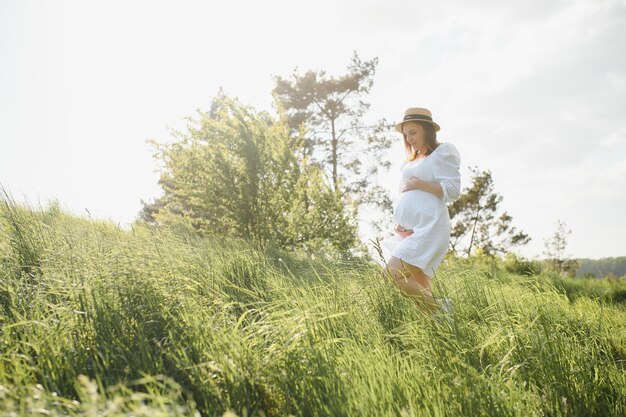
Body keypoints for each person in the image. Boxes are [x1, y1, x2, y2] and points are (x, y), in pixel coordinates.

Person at [379, 107, 461, 314]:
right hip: (411, 230)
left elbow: (452, 191)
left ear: (427, 130)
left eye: (413, 132)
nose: (409, 139)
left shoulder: (442, 153)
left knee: (392, 275)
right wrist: (401, 224)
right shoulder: (410, 162)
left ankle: (442, 309)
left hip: (431, 227)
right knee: (420, 285)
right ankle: (440, 330)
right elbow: (405, 195)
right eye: (406, 135)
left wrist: (420, 183)